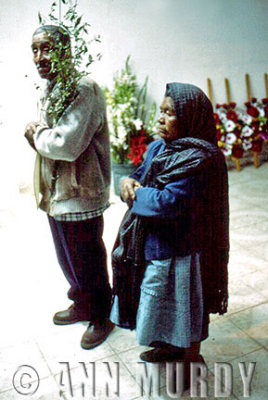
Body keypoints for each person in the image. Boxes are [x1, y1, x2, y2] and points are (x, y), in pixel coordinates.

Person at [110, 82, 229, 386]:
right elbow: (140, 174)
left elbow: (168, 202)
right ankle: (167, 347)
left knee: (185, 307)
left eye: (169, 113)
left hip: (183, 249)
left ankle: (191, 361)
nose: (160, 118)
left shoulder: (199, 158)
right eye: (160, 111)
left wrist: (136, 196)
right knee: (160, 301)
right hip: (156, 244)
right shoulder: (158, 148)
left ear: (189, 118)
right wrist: (127, 182)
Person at [24, 25, 114, 350]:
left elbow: (66, 144)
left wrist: (36, 134)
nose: (39, 57)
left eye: (46, 49)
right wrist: (40, 134)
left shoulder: (82, 88)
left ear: (67, 51)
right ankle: (82, 302)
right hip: (58, 194)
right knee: (67, 256)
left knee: (87, 257)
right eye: (34, 50)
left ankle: (102, 315)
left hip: (81, 194)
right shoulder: (53, 88)